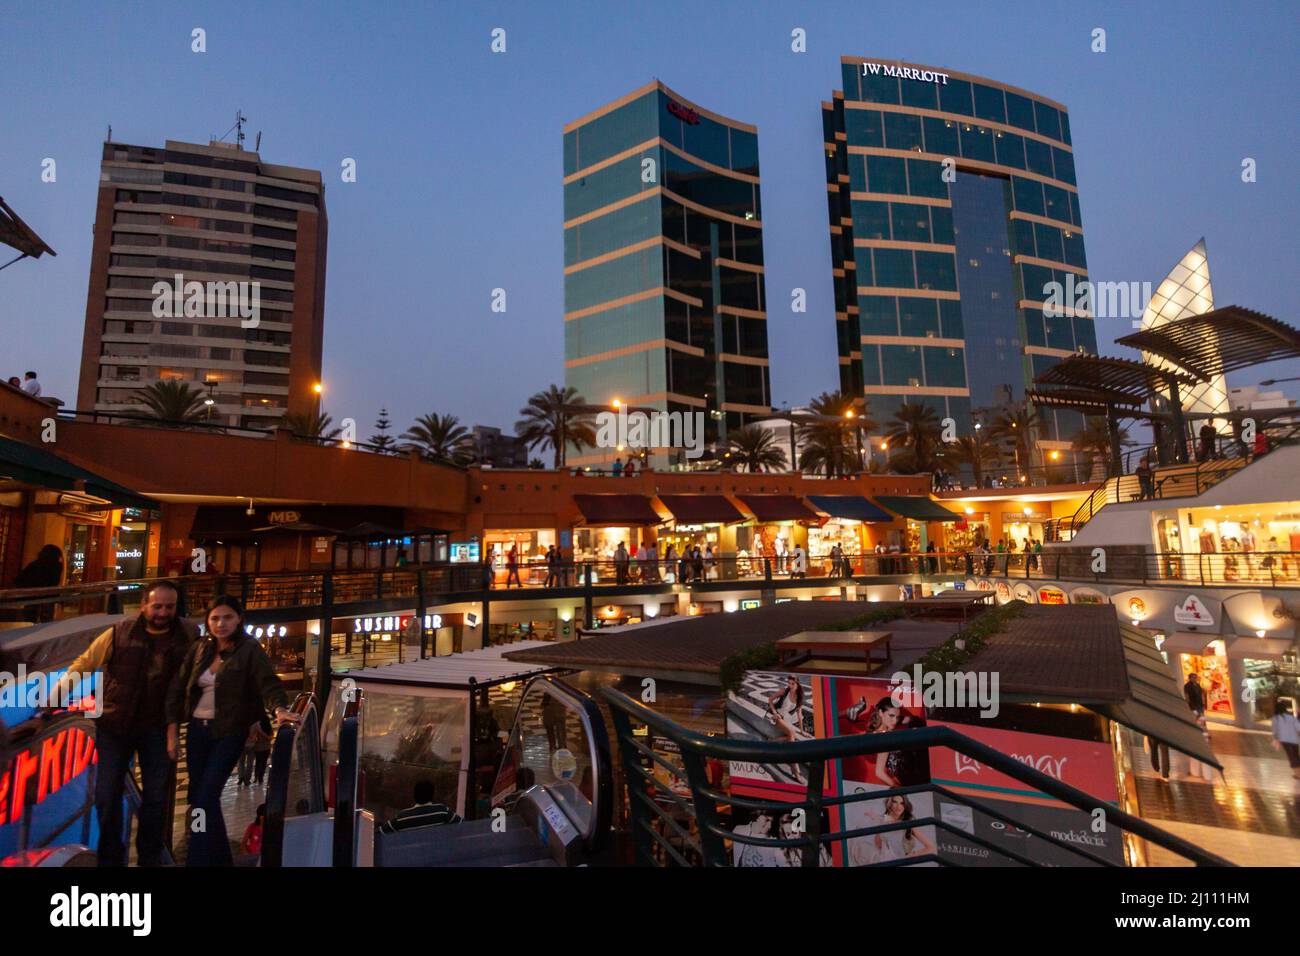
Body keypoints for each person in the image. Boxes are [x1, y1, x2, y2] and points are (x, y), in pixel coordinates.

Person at [55, 581, 197, 866]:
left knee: (156, 799)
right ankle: (111, 859)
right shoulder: (119, 633)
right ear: (143, 605)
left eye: (170, 607)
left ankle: (149, 857)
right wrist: (55, 696)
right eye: (157, 606)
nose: (163, 612)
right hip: (114, 726)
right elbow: (85, 664)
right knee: (106, 797)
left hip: (157, 727)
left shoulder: (189, 635)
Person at [168, 594, 296, 867]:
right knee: (200, 797)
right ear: (207, 621)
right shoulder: (201, 648)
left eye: (227, 617)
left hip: (229, 731)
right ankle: (220, 857)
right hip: (197, 731)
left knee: (205, 796)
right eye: (215, 618)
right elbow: (179, 687)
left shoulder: (250, 649)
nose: (221, 623)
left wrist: (279, 710)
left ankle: (198, 858)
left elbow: (267, 683)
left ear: (239, 619)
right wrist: (171, 730)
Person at [380, 780, 462, 833]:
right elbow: (466, 826)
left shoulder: (402, 818)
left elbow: (380, 833)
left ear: (414, 795)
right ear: (432, 795)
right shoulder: (443, 812)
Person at [14, 544, 65, 622]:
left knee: (30, 618)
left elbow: (19, 579)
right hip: (48, 597)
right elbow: (54, 582)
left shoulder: (34, 565)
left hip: (31, 596)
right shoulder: (57, 566)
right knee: (46, 620)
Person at [238, 714, 273, 787]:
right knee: (250, 763)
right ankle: (247, 779)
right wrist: (268, 737)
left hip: (241, 745)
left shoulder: (240, 723)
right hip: (251, 745)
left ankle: (241, 776)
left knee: (241, 762)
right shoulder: (255, 723)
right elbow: (260, 731)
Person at [1271, 700, 1300, 779]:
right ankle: (1298, 773)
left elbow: (1275, 731)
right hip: (1295, 740)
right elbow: (1298, 728)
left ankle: (1298, 775)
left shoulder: (1275, 719)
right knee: (1296, 756)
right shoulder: (1291, 717)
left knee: (1292, 757)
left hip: (1285, 741)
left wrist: (1275, 739)